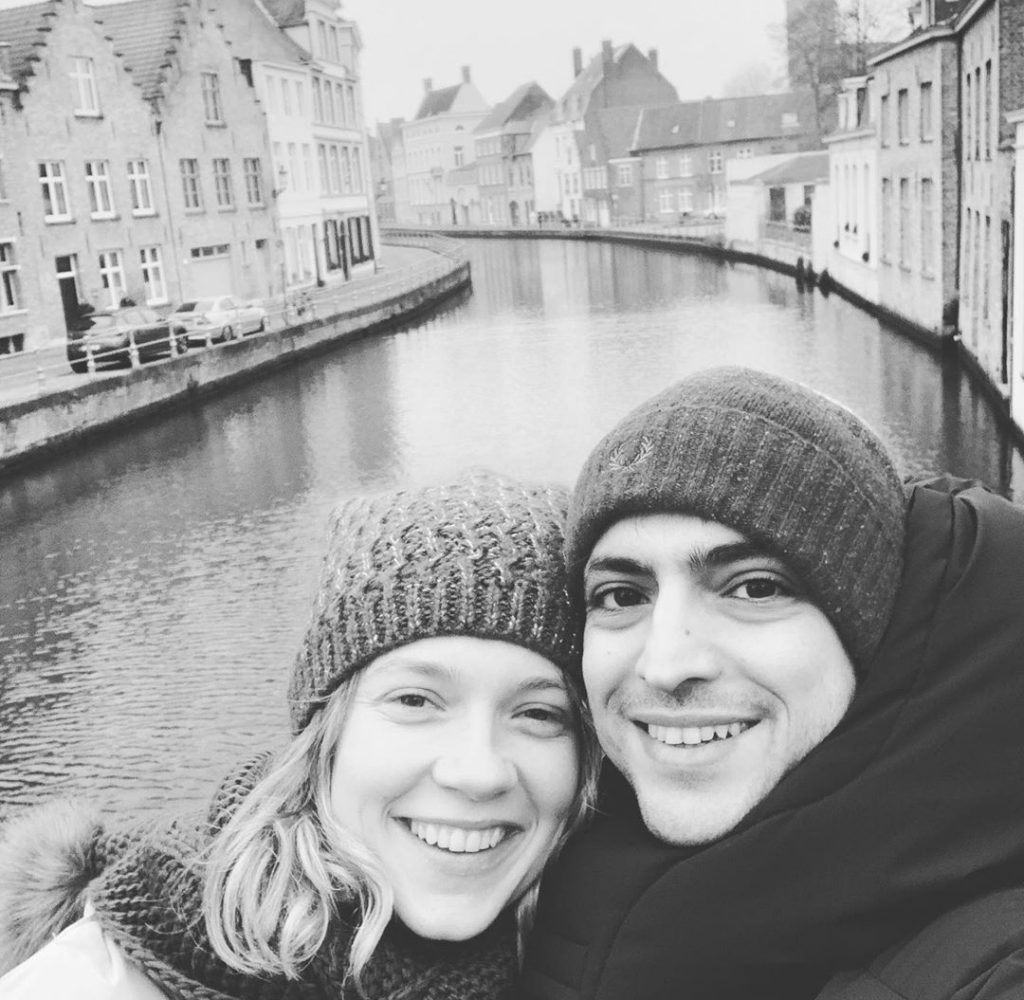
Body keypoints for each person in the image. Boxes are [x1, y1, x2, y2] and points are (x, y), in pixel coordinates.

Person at [520, 366, 1024, 1000]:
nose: (665, 665)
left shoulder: (990, 963)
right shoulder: (529, 886)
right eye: (621, 595)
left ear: (873, 633)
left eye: (755, 588)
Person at [0, 474, 600, 999]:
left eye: (538, 713)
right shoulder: (90, 982)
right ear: (324, 740)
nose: (479, 772)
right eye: (415, 701)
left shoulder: (616, 948)